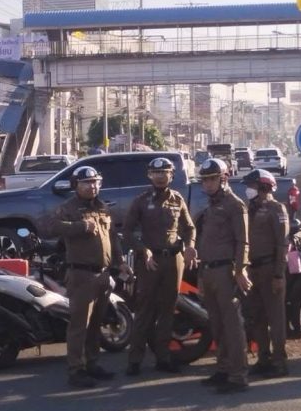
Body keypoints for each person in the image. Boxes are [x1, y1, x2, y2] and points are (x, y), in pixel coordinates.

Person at [50, 165, 129, 388]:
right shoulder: (68, 208)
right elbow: (53, 227)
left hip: (103, 274)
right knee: (79, 325)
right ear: (76, 185)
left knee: (95, 324)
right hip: (81, 274)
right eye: (86, 183)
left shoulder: (103, 207)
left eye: (95, 182)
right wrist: (81, 226)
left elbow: (113, 238)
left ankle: (92, 363)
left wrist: (121, 262)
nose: (92, 186)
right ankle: (76, 369)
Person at [122, 157, 197, 376]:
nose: (160, 176)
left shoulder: (177, 199)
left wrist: (190, 246)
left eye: (165, 172)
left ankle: (163, 358)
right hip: (150, 262)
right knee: (144, 310)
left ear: (171, 176)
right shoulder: (141, 200)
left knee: (167, 309)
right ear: (149, 175)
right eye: (156, 173)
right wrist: (141, 249)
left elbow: (189, 228)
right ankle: (135, 360)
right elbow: (127, 231)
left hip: (173, 260)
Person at [192, 158, 251, 394]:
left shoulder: (234, 205)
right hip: (208, 271)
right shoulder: (210, 206)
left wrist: (240, 269)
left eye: (212, 179)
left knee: (232, 326)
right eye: (205, 180)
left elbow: (243, 241)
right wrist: (201, 275)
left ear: (224, 178)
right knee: (217, 325)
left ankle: (238, 375)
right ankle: (224, 368)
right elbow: (204, 244)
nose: (208, 184)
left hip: (226, 272)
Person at [243, 169, 290, 378]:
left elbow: (282, 244)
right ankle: (263, 358)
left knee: (275, 318)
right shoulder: (248, 209)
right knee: (257, 316)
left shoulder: (276, 209)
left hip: (270, 269)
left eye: (251, 186)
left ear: (263, 187)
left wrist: (279, 274)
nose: (248, 190)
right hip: (252, 269)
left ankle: (279, 361)